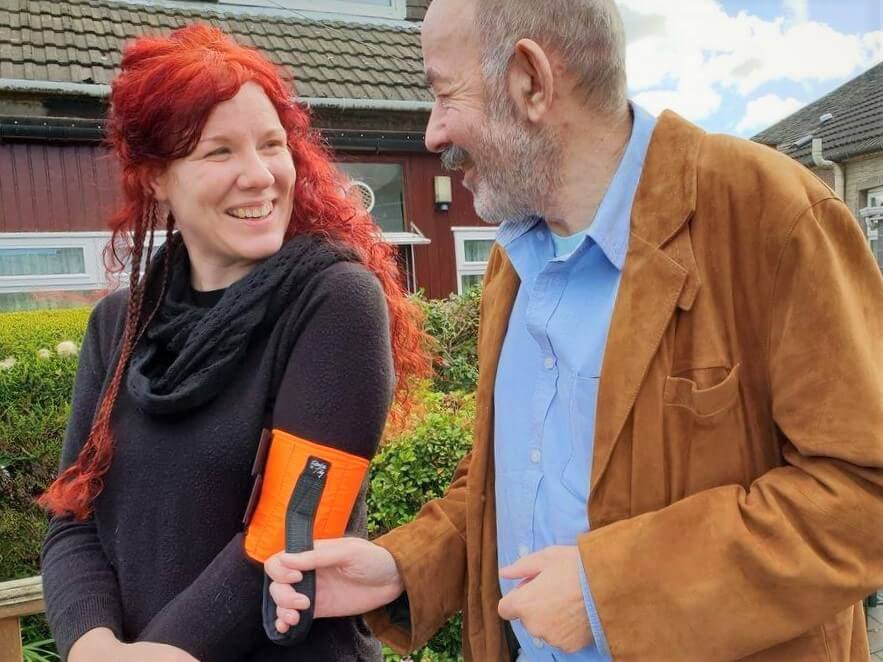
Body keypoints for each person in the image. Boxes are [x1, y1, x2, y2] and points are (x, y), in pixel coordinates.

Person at [265, 0, 883, 659]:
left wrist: (608, 591)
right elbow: (511, 482)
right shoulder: (512, 259)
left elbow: (863, 492)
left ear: (530, 81)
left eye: (444, 94)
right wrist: (403, 565)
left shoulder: (771, 215)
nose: (433, 132)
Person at [39, 24, 429, 662]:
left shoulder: (334, 302)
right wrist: (91, 645)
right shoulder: (117, 325)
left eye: (272, 145)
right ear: (155, 177)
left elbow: (288, 528)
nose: (259, 175)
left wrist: (159, 654)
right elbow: (72, 516)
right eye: (218, 152)